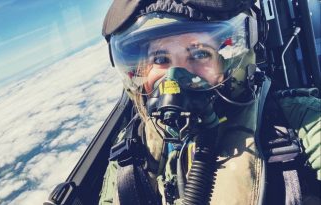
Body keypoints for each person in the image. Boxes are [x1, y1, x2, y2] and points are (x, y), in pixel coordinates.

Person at [98, 0, 320, 204]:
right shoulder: (132, 150)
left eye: (199, 54)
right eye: (161, 59)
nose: (175, 78)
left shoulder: (300, 122)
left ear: (228, 64)